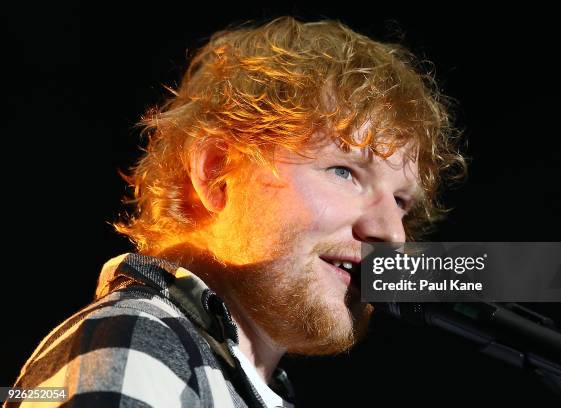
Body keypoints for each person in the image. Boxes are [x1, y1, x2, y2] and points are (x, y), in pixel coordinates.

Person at [7, 16, 465, 407]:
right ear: (216, 173)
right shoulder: (137, 344)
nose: (392, 234)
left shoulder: (221, 377)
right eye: (344, 171)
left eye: (402, 201)